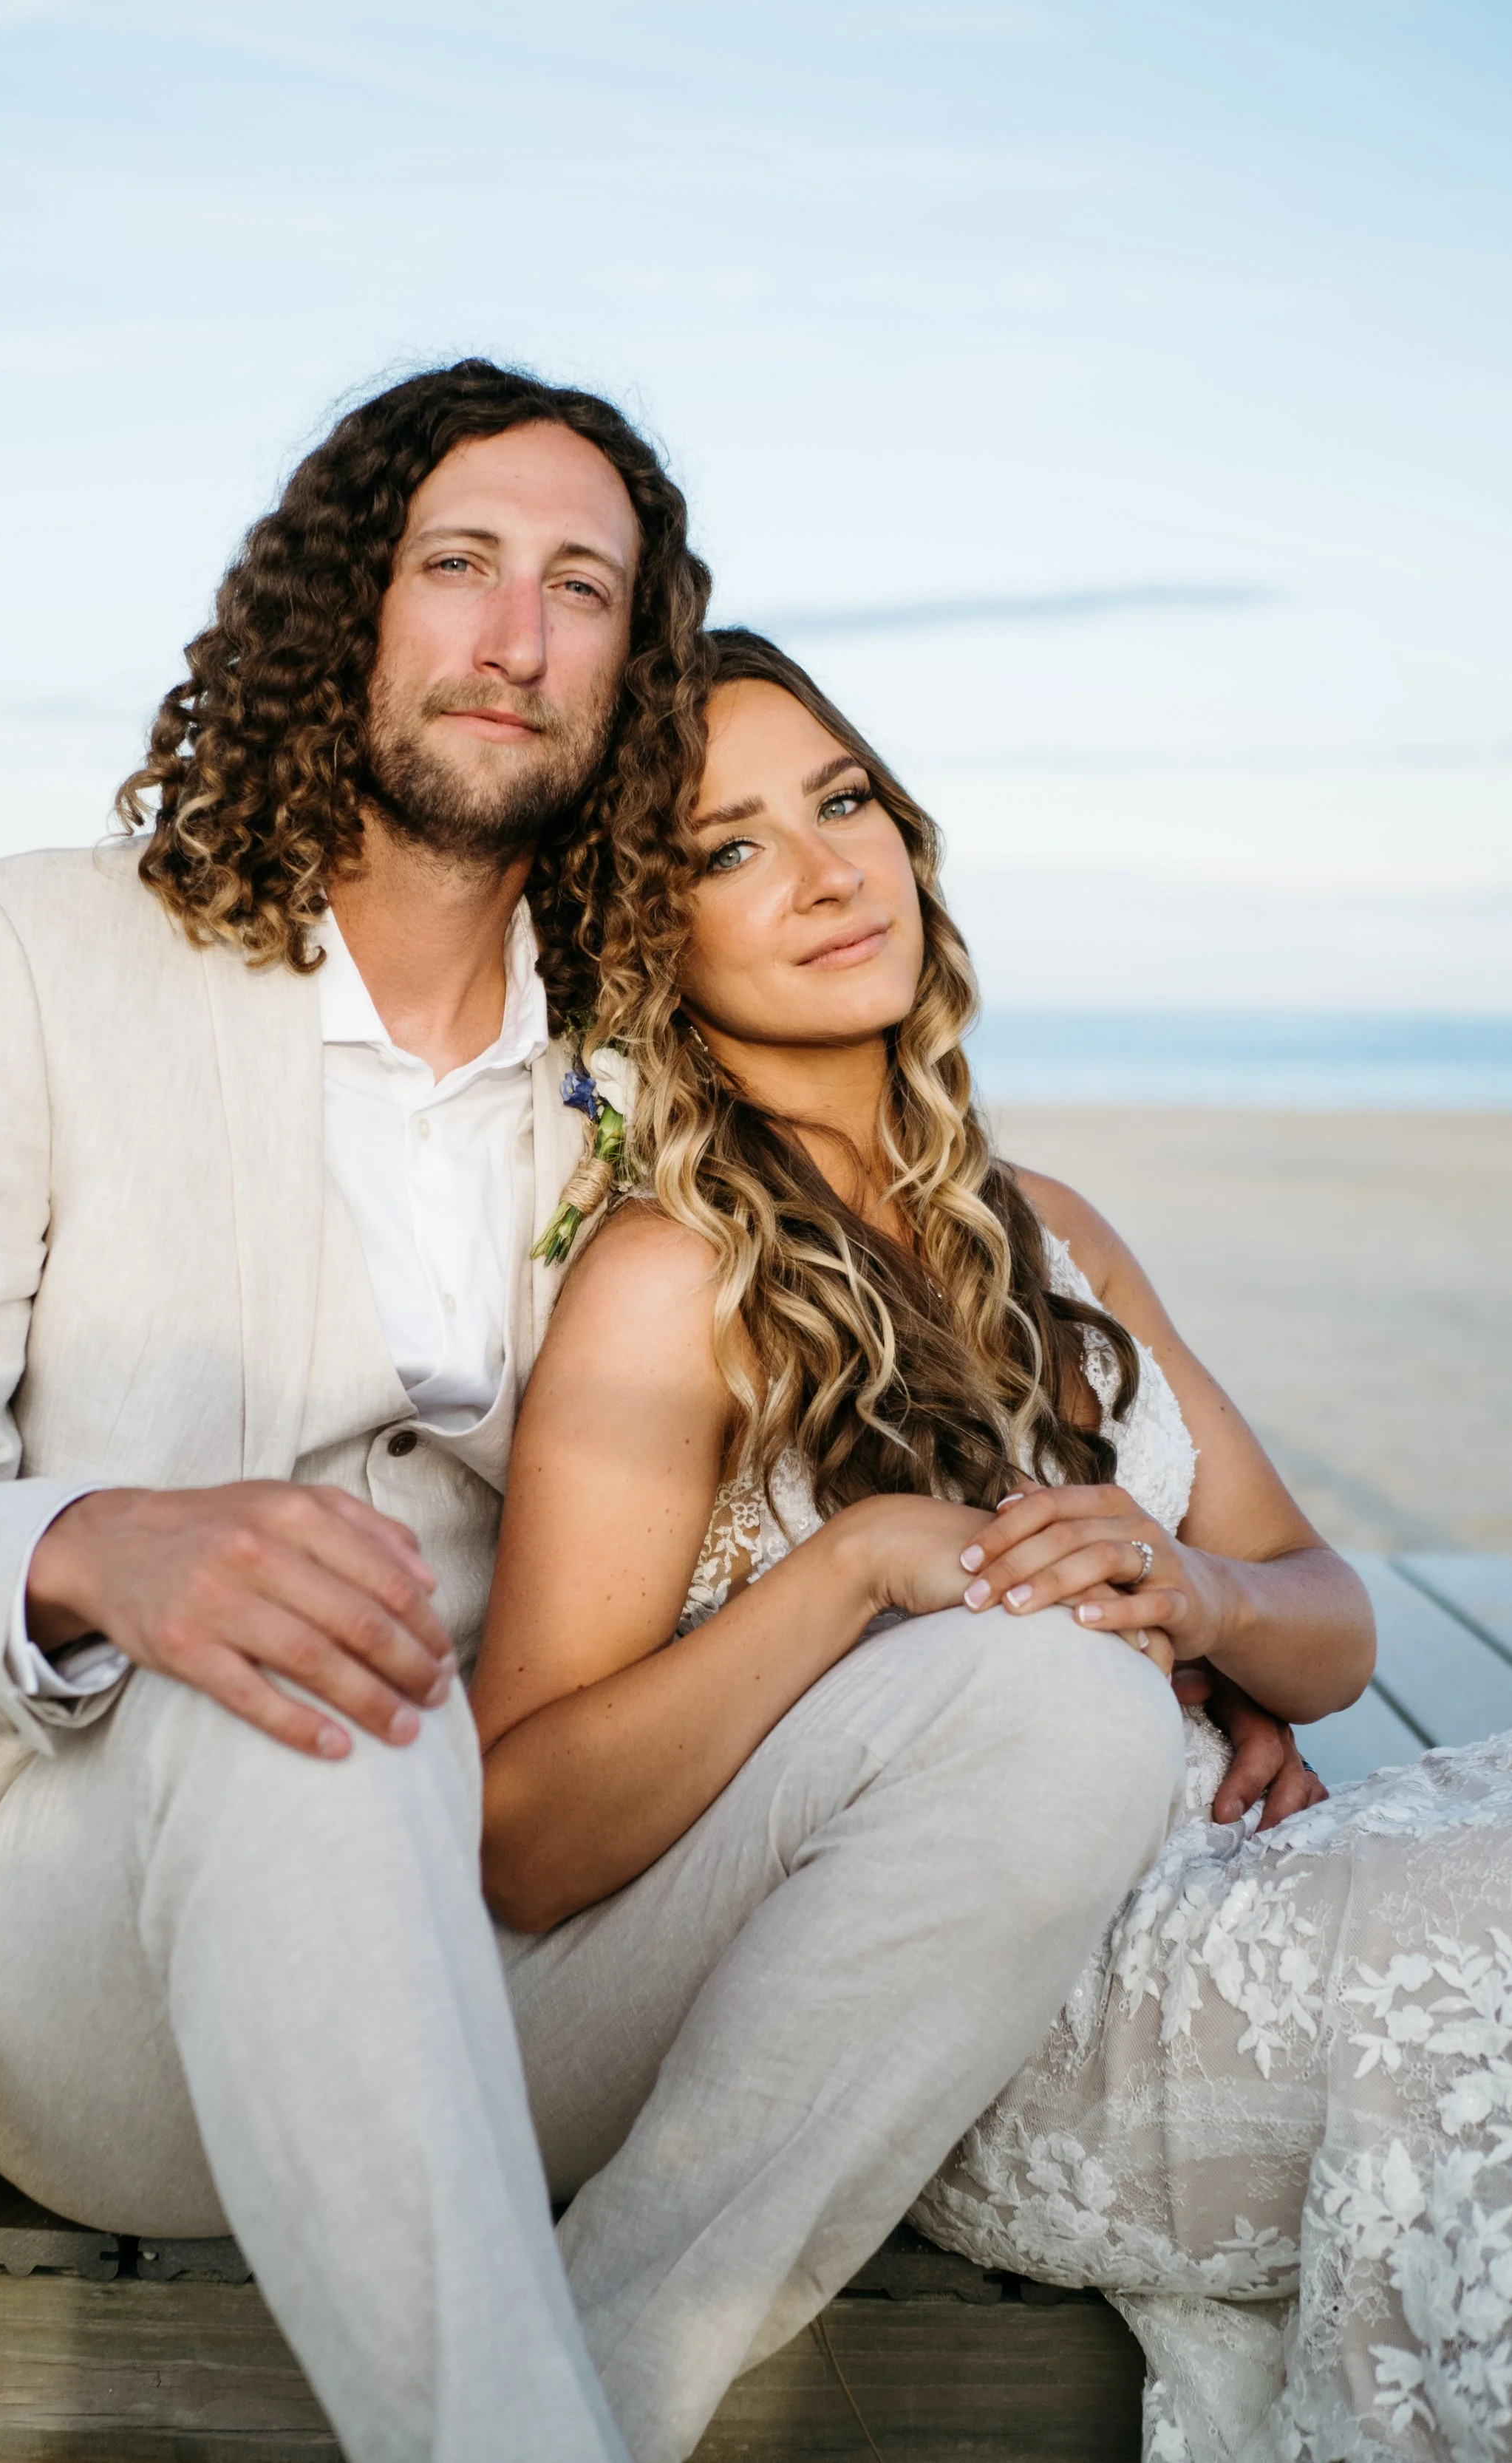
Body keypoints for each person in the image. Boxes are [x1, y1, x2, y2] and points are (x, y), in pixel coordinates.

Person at [0, 358, 715, 2463]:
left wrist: (1182, 1640)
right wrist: (103, 1548)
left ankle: (618, 2382)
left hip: (519, 1923)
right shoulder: (22, 957)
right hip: (106, 1961)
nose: (514, 637)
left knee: (1032, 1711)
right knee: (303, 1682)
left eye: (580, 590)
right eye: (458, 565)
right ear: (344, 603)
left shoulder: (645, 1058)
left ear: (631, 672)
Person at [473, 630, 1512, 2463]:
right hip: (989, 2020)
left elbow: (1328, 1621)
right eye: (728, 848)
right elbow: (525, 1834)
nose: (823, 869)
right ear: (645, 935)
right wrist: (857, 1563)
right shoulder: (665, 1283)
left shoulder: (1052, 1230)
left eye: (842, 798)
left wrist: (1197, 1596)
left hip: (1221, 1900)